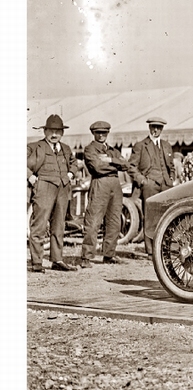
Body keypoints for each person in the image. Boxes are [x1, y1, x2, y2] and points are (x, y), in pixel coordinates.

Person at [27, 114, 79, 272]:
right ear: (45, 131)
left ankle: (57, 259)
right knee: (40, 225)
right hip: (43, 187)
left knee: (59, 226)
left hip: (62, 189)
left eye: (58, 131)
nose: (54, 134)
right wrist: (30, 177)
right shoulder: (35, 147)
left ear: (62, 133)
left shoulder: (66, 149)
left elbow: (74, 164)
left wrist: (71, 174)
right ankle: (37, 262)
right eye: (51, 131)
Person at [79, 121, 130, 268]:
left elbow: (126, 165)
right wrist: (116, 165)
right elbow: (97, 167)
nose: (101, 135)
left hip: (115, 185)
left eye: (104, 133)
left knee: (114, 221)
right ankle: (86, 257)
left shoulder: (112, 150)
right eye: (98, 133)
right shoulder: (90, 149)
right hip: (100, 184)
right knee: (93, 220)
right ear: (93, 134)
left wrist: (110, 160)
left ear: (108, 133)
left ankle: (109, 254)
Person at [128, 117, 175, 256]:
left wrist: (171, 178)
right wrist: (142, 180)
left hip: (166, 185)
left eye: (159, 128)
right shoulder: (141, 145)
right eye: (153, 127)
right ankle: (150, 250)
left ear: (162, 129)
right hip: (149, 185)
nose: (156, 130)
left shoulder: (167, 145)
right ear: (149, 127)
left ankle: (165, 247)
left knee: (168, 215)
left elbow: (171, 166)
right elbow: (131, 166)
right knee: (149, 217)